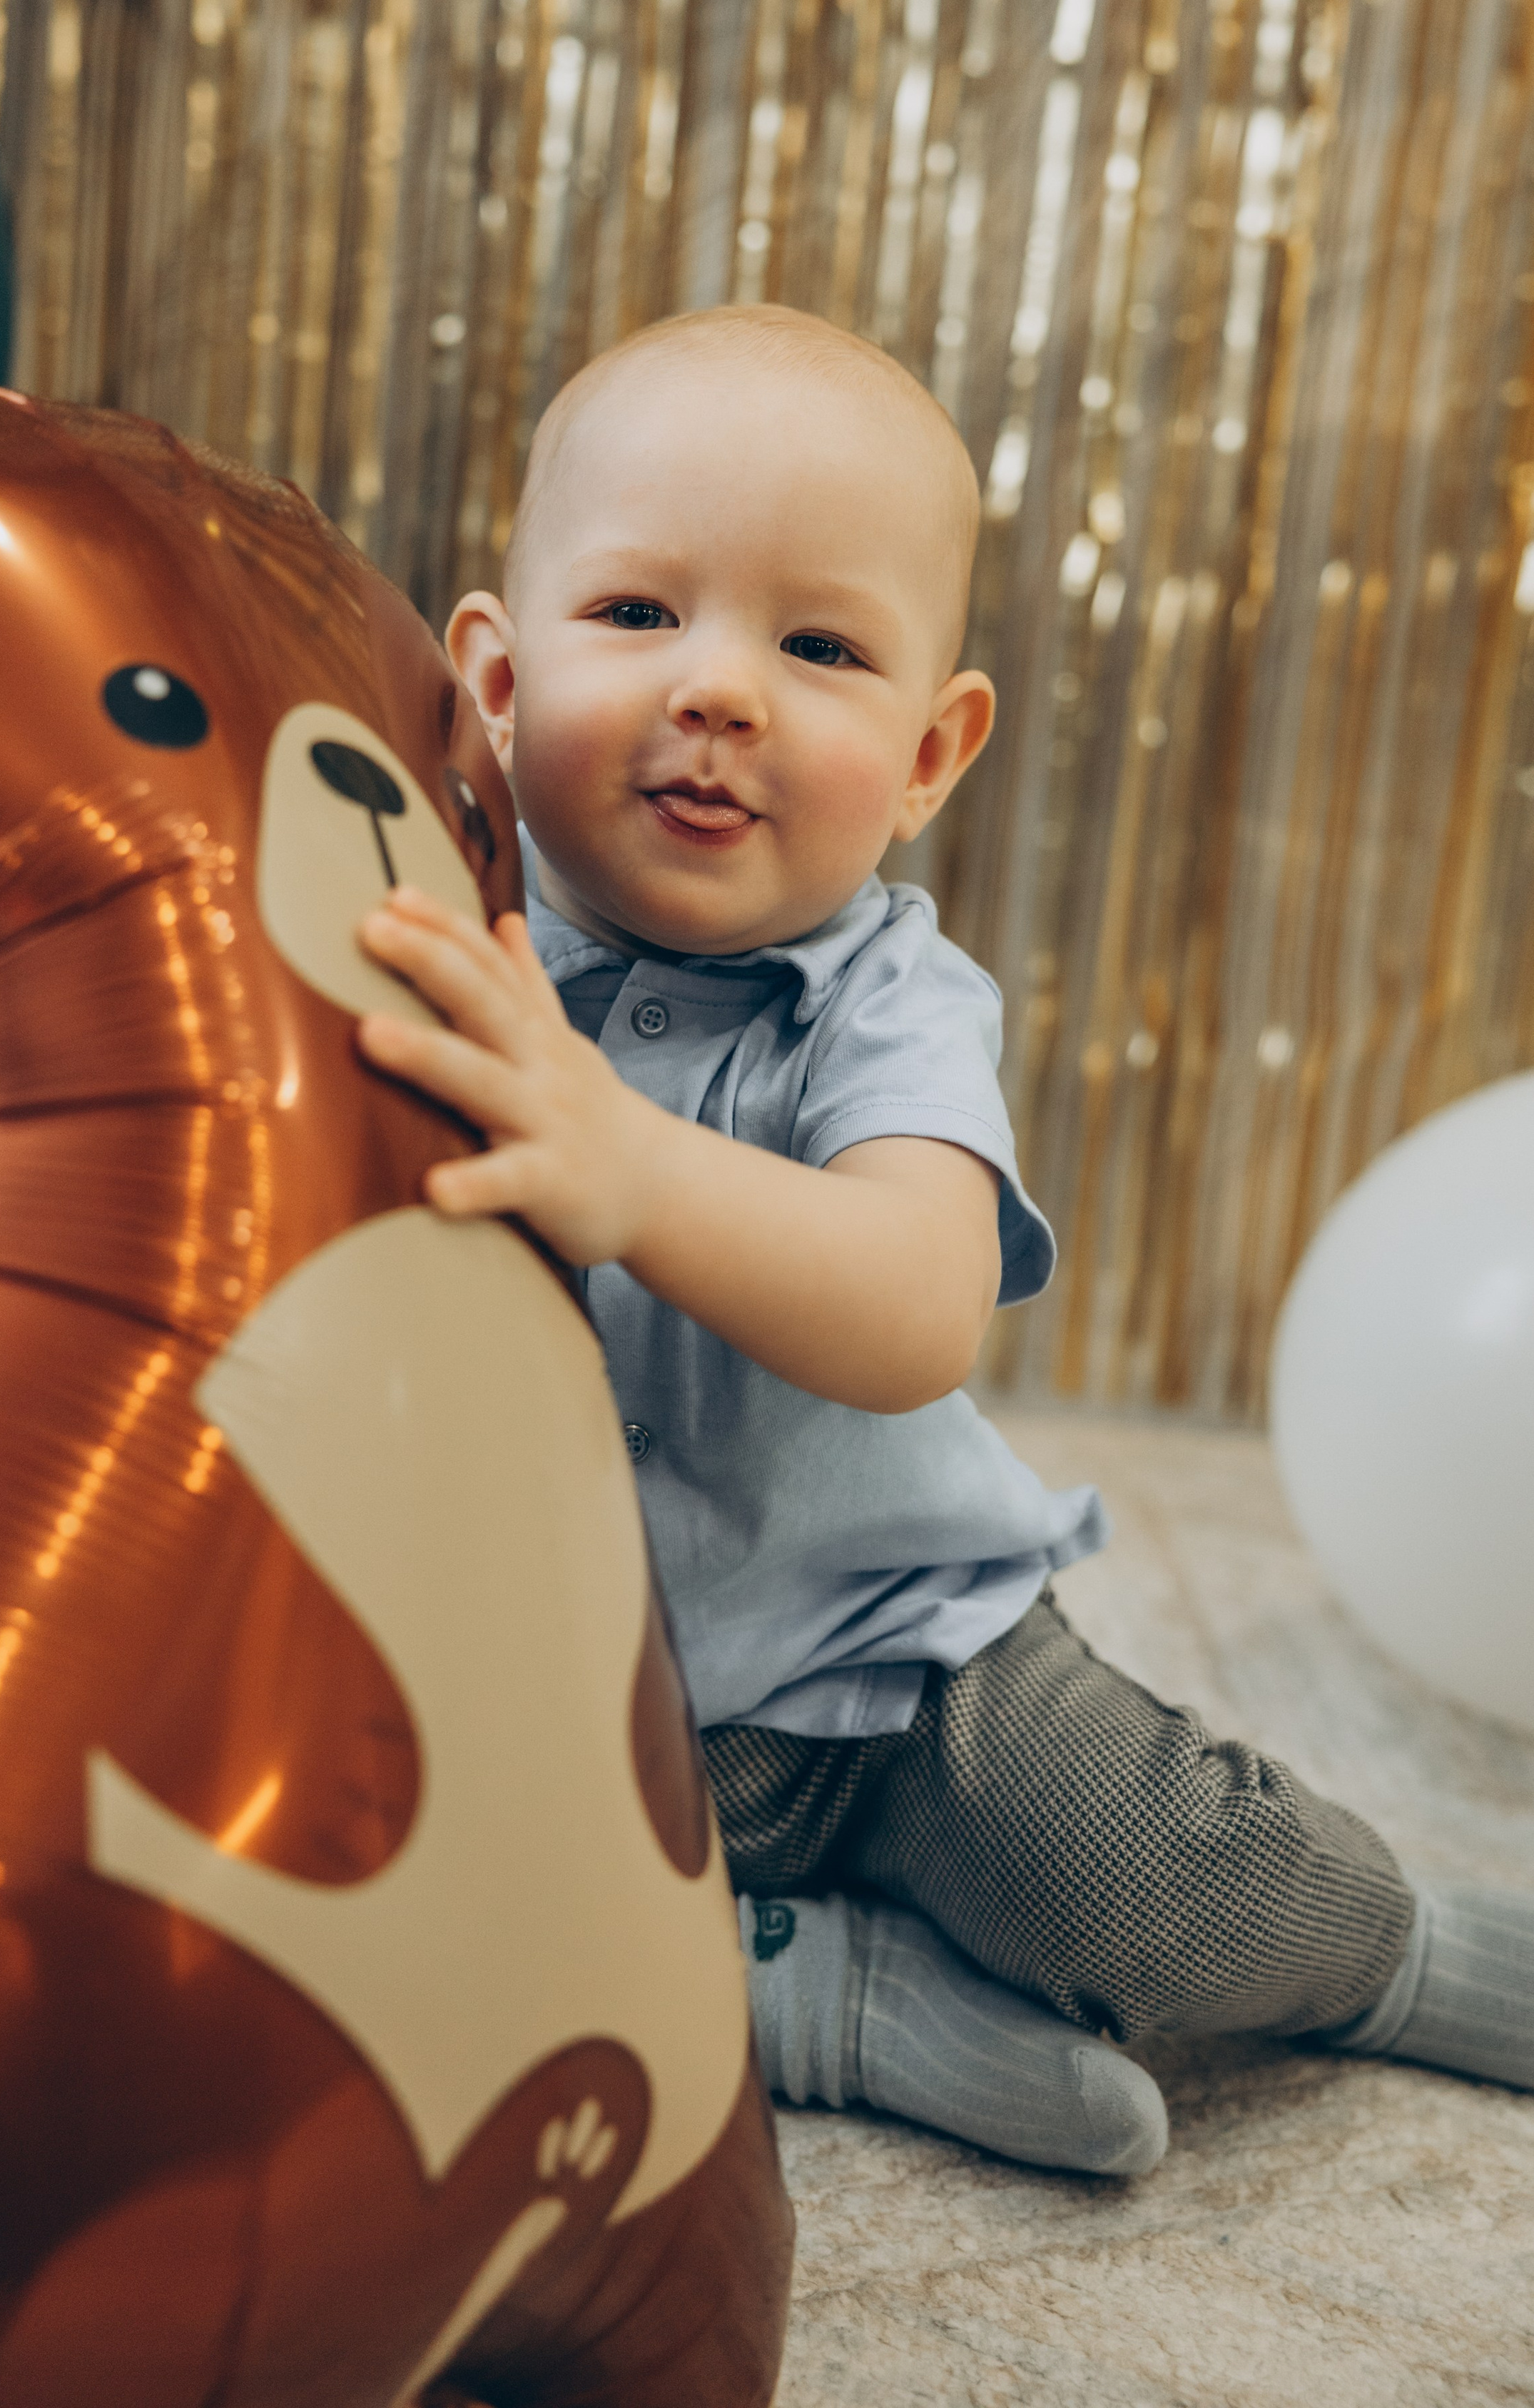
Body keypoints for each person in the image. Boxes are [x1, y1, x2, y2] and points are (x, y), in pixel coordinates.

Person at [352, 303, 1532, 2177]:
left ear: (928, 750)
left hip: (896, 1674)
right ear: (489, 675)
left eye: (819, 647)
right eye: (640, 613)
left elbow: (915, 1311)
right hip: (534, 1700)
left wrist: (627, 1164)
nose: (719, 689)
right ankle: (823, 2007)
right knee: (328, 1923)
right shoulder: (421, 936)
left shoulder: (890, 999)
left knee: (1150, 1878)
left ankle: (1394, 1951)